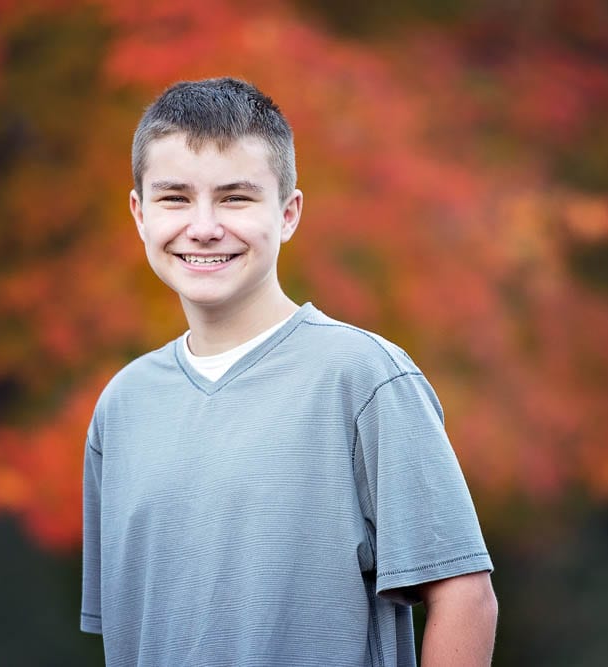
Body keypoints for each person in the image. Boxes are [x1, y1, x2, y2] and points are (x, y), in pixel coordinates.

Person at [80, 77, 497, 666]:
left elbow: (465, 597)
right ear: (139, 214)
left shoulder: (363, 379)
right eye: (174, 197)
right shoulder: (122, 406)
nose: (203, 226)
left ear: (289, 213)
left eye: (235, 198)